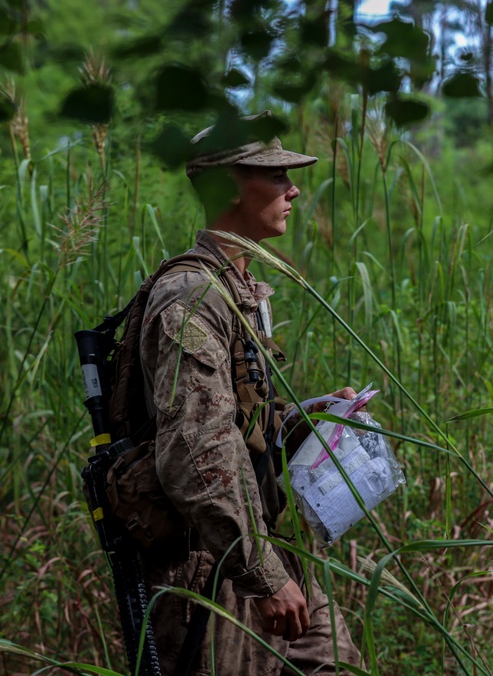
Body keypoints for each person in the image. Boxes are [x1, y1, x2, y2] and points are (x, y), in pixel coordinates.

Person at [137, 111, 362, 675]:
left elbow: (238, 421)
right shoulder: (190, 296)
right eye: (275, 175)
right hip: (210, 563)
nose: (294, 189)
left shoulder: (237, 289)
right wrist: (262, 574)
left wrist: (304, 417)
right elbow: (196, 455)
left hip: (257, 543)